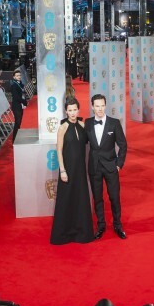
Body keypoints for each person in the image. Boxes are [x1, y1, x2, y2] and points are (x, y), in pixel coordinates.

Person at [50, 98, 94, 245]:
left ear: (78, 109)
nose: (73, 112)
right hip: (67, 169)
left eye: (75, 109)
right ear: (66, 111)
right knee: (66, 200)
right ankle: (64, 234)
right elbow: (59, 150)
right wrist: (62, 170)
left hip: (80, 169)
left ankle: (82, 232)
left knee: (80, 199)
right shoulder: (62, 127)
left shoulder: (82, 125)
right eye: (70, 110)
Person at [86, 94, 128, 240]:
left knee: (114, 197)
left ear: (105, 105)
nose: (100, 109)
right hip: (94, 167)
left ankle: (118, 224)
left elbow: (123, 145)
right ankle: (101, 225)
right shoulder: (87, 123)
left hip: (111, 167)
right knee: (97, 198)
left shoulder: (114, 123)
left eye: (102, 105)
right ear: (92, 107)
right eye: (97, 106)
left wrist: (118, 164)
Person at [10, 69, 28, 142]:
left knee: (19, 122)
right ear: (14, 77)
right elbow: (16, 97)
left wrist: (24, 101)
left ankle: (17, 137)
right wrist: (24, 101)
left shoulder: (21, 84)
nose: (19, 77)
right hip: (16, 106)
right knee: (17, 122)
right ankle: (14, 139)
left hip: (20, 105)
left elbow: (23, 94)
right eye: (17, 76)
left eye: (20, 75)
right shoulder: (14, 85)